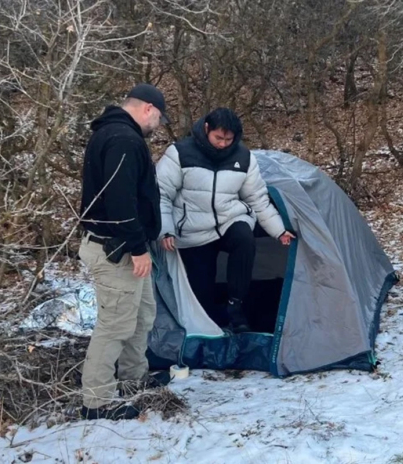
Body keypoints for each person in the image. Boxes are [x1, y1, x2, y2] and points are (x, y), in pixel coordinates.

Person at [77, 83, 171, 420]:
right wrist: (137, 247)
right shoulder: (123, 140)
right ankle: (97, 401)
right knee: (115, 325)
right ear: (147, 108)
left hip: (128, 248)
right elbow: (119, 203)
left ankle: (133, 378)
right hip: (117, 250)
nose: (157, 125)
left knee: (142, 314)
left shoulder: (116, 134)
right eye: (159, 118)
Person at [156, 108, 295, 333]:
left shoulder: (243, 157)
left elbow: (257, 198)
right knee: (202, 291)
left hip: (230, 219)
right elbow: (161, 193)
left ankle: (236, 304)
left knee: (245, 239)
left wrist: (279, 230)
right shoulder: (180, 153)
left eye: (228, 139)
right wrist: (166, 230)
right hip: (193, 228)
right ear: (206, 129)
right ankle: (213, 318)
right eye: (218, 138)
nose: (223, 144)